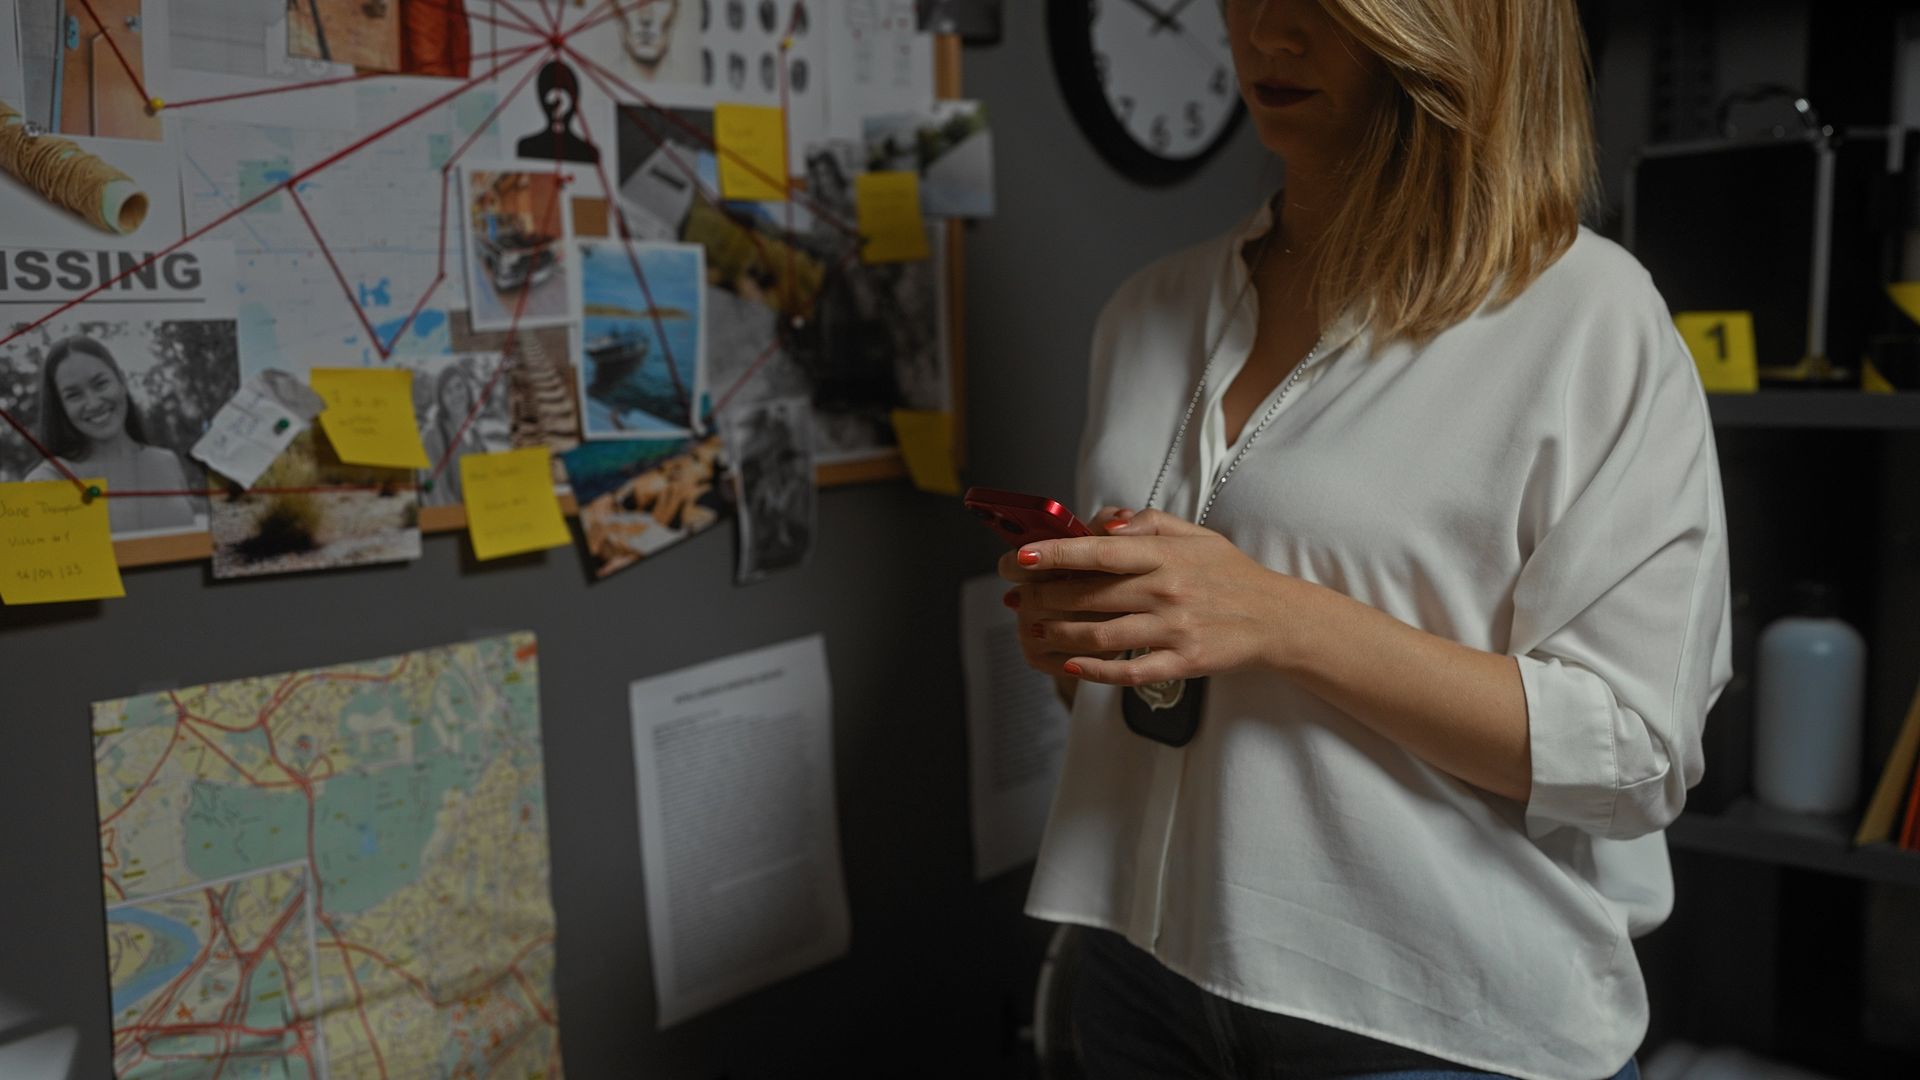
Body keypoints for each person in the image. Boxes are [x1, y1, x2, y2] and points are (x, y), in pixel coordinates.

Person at [999, 2, 1731, 1079]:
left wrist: (1285, 619)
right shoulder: (1149, 310)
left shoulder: (1588, 318)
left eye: (1326, 7)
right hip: (1138, 983)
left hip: (1433, 1024)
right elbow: (1152, 693)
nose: (1268, 34)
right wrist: (1086, 645)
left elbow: (1636, 754)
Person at [23, 335, 200, 535]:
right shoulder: (48, 480)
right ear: (60, 407)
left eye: (101, 384)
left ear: (122, 381)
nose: (94, 403)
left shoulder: (166, 462)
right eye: (73, 395)